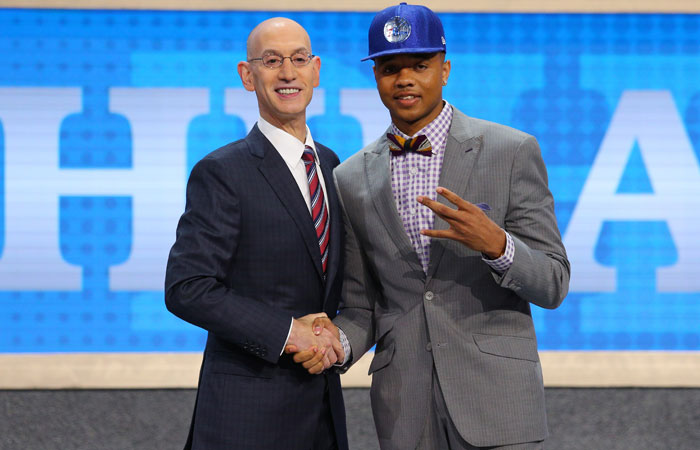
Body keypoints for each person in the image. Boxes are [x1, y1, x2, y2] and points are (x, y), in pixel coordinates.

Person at [294, 3, 570, 450]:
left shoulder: (511, 150)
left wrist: (497, 245)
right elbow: (364, 305)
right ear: (377, 76)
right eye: (390, 67)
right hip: (405, 408)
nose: (405, 79)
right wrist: (337, 345)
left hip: (497, 402)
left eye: (420, 65)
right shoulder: (349, 177)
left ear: (445, 70)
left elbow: (554, 282)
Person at [165, 17, 348, 450]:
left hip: (321, 411)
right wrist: (290, 333)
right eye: (271, 61)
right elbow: (187, 288)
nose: (288, 73)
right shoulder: (222, 172)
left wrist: (336, 337)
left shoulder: (333, 165)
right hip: (245, 417)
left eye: (298, 59)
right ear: (248, 76)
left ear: (316, 69)